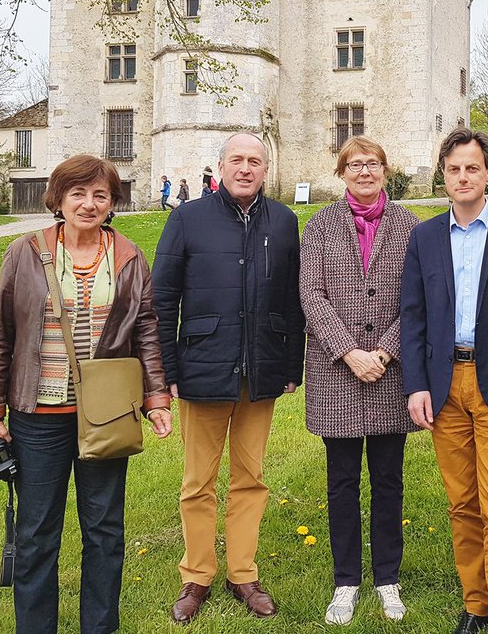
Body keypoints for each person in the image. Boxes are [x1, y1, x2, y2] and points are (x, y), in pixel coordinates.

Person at [0, 154, 173, 634]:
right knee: (37, 532)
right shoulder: (24, 252)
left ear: (112, 202)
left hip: (107, 413)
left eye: (100, 195)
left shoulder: (128, 256)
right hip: (38, 416)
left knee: (104, 530)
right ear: (58, 199)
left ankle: (98, 628)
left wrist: (156, 398)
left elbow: (146, 330)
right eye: (77, 193)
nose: (88, 203)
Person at [152, 132, 305, 624]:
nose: (245, 168)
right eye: (236, 160)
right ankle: (196, 576)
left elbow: (294, 299)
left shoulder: (283, 221)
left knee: (250, 478)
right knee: (198, 482)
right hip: (203, 366)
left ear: (266, 170)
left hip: (261, 368)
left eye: (255, 161)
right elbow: (161, 300)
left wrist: (291, 364)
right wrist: (167, 369)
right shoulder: (187, 218)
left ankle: (243, 574)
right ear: (220, 168)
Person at [401, 128, 488, 634]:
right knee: (462, 506)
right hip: (443, 385)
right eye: (453, 169)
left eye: (472, 168)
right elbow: (413, 315)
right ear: (443, 175)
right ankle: (476, 606)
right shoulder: (425, 237)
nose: (462, 177)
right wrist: (416, 384)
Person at [300, 136, 420, 625]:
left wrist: (385, 351)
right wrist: (349, 352)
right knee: (342, 482)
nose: (364, 171)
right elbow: (311, 294)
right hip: (337, 372)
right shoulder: (320, 225)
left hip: (390, 372)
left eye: (372, 163)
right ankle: (346, 580)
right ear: (342, 172)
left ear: (385, 170)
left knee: (389, 480)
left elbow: (418, 298)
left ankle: (388, 576)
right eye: (355, 165)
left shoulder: (410, 226)